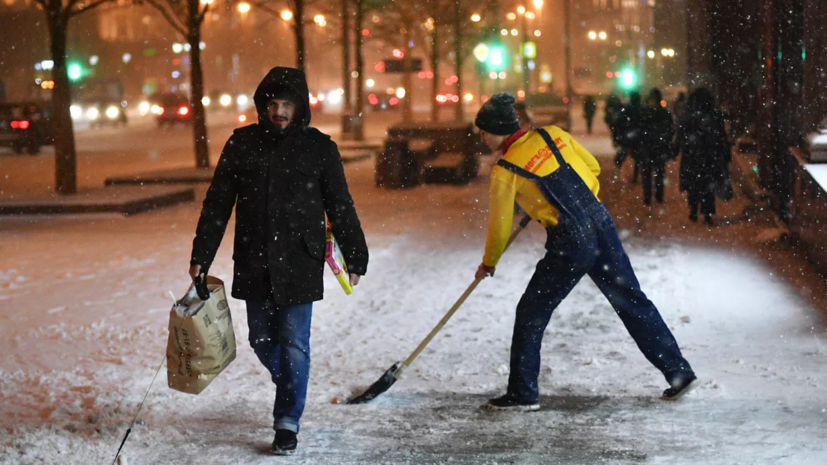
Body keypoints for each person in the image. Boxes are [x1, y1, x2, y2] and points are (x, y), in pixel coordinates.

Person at [472, 92, 698, 411]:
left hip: (570, 241)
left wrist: (488, 262)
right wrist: (576, 205)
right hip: (600, 222)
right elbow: (591, 168)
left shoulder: (505, 169)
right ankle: (679, 373)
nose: (481, 137)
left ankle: (523, 393)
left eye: (483, 131)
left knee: (531, 313)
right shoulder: (553, 135)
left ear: (497, 131)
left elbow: (499, 226)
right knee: (632, 299)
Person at [189, 67, 369, 455]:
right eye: (272, 103)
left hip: (300, 259)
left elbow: (340, 205)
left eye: (287, 104)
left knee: (293, 343)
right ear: (262, 106)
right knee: (261, 338)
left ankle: (287, 420)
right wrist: (201, 255)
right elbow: (218, 203)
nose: (279, 111)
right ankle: (292, 383)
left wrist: (356, 253)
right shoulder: (241, 144)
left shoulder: (320, 148)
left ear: (300, 107)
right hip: (254, 256)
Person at [677, 88, 731, 225]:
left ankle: (694, 211)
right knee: (708, 187)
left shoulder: (689, 116)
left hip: (692, 157)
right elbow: (721, 137)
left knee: (694, 187)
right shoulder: (713, 116)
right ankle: (707, 214)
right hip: (709, 157)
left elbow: (681, 135)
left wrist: (679, 147)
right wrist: (724, 153)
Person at [639, 88, 675, 205]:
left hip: (648, 148)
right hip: (659, 148)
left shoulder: (645, 113)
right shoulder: (664, 113)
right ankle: (658, 196)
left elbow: (640, 130)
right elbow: (670, 130)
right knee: (658, 173)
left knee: (647, 174)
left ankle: (648, 197)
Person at [614, 91, 644, 183]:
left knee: (625, 154)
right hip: (638, 137)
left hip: (628, 136)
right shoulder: (641, 109)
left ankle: (627, 174)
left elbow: (618, 122)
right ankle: (634, 176)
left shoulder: (627, 109)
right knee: (637, 158)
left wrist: (619, 136)